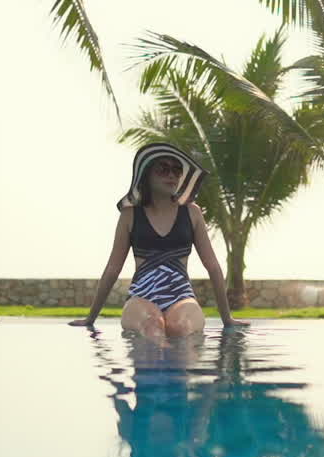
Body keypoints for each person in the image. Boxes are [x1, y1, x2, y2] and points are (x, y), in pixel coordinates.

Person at [68, 143, 247, 338]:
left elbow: (212, 266)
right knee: (152, 327)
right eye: (163, 169)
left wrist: (227, 318)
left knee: (181, 327)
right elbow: (113, 268)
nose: (171, 175)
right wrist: (90, 318)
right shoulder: (130, 215)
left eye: (176, 170)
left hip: (181, 296)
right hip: (141, 297)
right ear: (147, 175)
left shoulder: (192, 212)